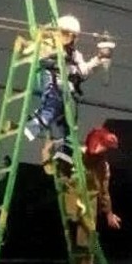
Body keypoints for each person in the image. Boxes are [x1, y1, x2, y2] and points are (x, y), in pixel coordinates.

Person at [22, 15, 113, 157]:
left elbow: (82, 72)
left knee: (66, 121)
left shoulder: (75, 54)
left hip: (67, 90)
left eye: (72, 36)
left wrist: (99, 59)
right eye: (66, 34)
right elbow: (34, 54)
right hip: (54, 83)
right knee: (51, 109)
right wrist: (49, 49)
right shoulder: (48, 46)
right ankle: (30, 127)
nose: (70, 39)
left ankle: (62, 151)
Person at [45, 127, 123, 264]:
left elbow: (104, 192)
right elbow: (53, 169)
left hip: (90, 201)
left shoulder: (103, 167)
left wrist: (109, 213)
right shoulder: (76, 154)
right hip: (73, 195)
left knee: (89, 232)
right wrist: (47, 152)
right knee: (79, 219)